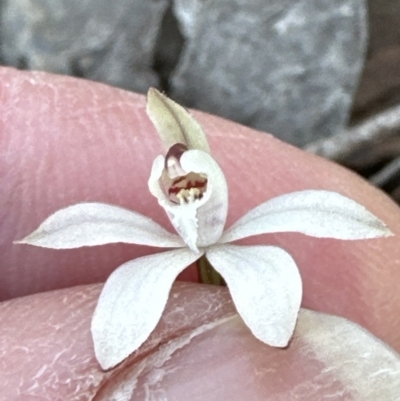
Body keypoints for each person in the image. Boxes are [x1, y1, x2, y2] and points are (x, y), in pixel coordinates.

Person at [1, 67, 399, 399]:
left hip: (241, 254)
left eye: (196, 186)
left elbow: (275, 325)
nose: (188, 195)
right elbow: (112, 341)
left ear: (213, 179)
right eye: (176, 189)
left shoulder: (273, 249)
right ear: (161, 188)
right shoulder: (131, 272)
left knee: (272, 335)